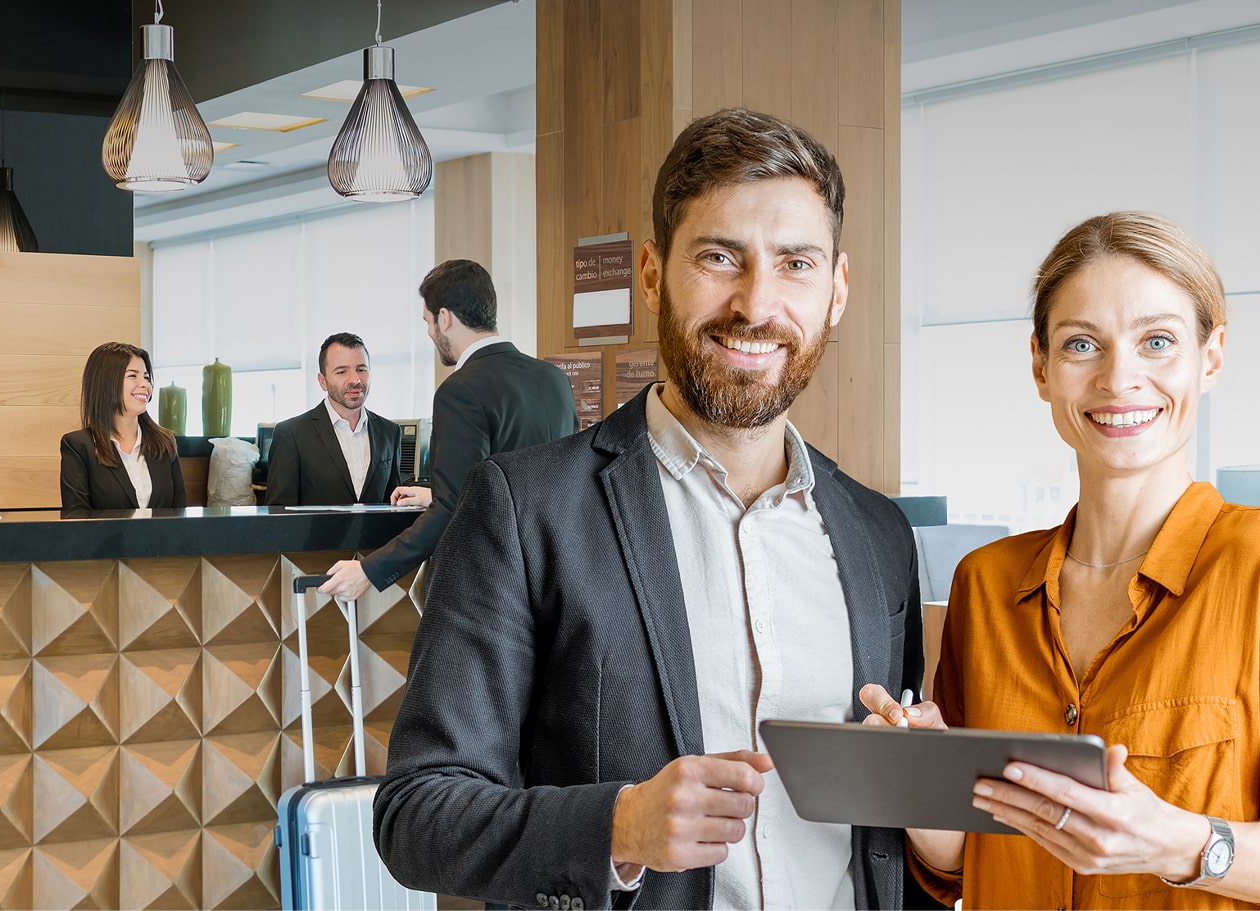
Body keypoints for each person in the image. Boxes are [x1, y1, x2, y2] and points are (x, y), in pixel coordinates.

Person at [374, 107, 924, 910]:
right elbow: (417, 813)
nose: (756, 302)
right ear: (652, 273)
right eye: (719, 257)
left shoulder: (881, 536)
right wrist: (618, 826)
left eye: (795, 263)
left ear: (837, 290)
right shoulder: (526, 510)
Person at [856, 212, 1260, 909]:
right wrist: (921, 780)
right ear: (1041, 366)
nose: (1119, 377)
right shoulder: (983, 586)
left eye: (1157, 341)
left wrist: (1183, 844)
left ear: (1211, 356)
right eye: (1081, 344)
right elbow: (957, 868)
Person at [316, 259, 573, 601]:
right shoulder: (553, 379)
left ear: (446, 318)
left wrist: (369, 570)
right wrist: (434, 493)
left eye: (428, 321)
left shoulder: (459, 390)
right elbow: (544, 480)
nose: (428, 332)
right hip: (555, 577)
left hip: (492, 585)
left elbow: (452, 510)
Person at [265, 333, 407, 507]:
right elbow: (279, 514)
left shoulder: (390, 432)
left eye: (361, 369)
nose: (355, 380)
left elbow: (393, 507)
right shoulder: (291, 434)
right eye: (341, 371)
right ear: (323, 381)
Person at [58, 341, 186, 510]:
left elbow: (180, 513)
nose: (144, 385)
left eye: (146, 377)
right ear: (105, 383)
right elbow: (77, 518)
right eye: (133, 376)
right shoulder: (78, 446)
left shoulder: (164, 443)